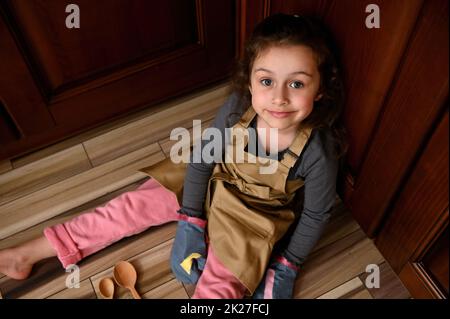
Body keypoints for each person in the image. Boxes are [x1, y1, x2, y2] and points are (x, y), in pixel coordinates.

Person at [0, 13, 346, 299]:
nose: (279, 98)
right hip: (209, 180)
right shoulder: (238, 106)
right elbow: (201, 160)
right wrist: (191, 220)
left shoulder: (318, 150)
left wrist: (288, 265)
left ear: (320, 89)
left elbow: (315, 215)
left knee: (218, 288)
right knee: (128, 208)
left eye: (297, 84)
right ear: (250, 82)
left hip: (253, 219)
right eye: (267, 81)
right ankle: (27, 254)